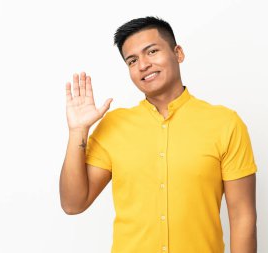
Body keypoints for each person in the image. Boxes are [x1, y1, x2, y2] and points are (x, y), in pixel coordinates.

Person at [60, 16, 257, 253]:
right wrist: (78, 131)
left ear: (178, 53)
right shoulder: (114, 125)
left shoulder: (225, 124)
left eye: (152, 51)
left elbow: (242, 217)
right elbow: (73, 204)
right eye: (132, 61)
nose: (143, 65)